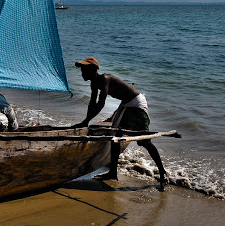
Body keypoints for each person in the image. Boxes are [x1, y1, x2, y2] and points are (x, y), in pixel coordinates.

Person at [72, 57, 168, 189]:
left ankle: (163, 173)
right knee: (115, 137)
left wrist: (86, 121)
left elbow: (100, 104)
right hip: (125, 104)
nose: (82, 73)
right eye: (82, 70)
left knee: (144, 142)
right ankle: (113, 172)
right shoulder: (93, 83)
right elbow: (92, 104)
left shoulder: (105, 79)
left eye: (84, 70)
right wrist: (85, 121)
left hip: (136, 103)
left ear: (93, 70)